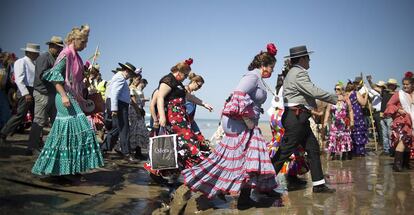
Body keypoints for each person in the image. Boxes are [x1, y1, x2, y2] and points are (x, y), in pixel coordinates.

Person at [182, 44, 278, 209]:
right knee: (245, 158)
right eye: (271, 67)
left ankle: (237, 195)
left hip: (244, 122)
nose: (272, 71)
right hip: (240, 123)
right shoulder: (253, 76)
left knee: (242, 160)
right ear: (263, 66)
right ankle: (234, 195)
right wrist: (248, 118)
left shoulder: (257, 78)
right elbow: (238, 94)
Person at [32, 25, 104, 177]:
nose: (85, 46)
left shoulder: (76, 56)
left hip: (73, 97)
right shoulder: (66, 54)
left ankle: (69, 168)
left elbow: (74, 79)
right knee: (76, 130)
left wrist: (82, 83)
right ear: (75, 40)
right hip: (65, 97)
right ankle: (62, 169)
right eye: (83, 42)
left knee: (72, 134)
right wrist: (64, 95)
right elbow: (54, 75)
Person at [271, 45, 339, 193]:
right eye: (308, 58)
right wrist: (335, 98)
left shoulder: (292, 73)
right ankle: (264, 183)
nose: (310, 61)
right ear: (302, 59)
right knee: (283, 153)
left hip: (298, 117)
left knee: (313, 148)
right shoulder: (299, 73)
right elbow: (313, 91)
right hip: (296, 118)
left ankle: (319, 184)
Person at [145, 58, 213, 182]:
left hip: (181, 118)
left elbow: (189, 96)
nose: (186, 78)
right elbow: (159, 98)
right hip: (173, 119)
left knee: (178, 146)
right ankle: (194, 174)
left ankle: (174, 174)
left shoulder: (179, 84)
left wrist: (204, 104)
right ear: (179, 73)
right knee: (186, 144)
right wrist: (162, 117)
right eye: (185, 75)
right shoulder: (167, 80)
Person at [26, 36, 64, 156]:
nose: (59, 49)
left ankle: (53, 147)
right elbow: (42, 75)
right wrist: (57, 77)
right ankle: (31, 147)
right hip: (43, 93)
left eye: (60, 47)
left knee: (56, 121)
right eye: (57, 47)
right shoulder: (44, 57)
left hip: (52, 94)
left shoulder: (54, 58)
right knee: (39, 121)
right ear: (51, 46)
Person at [0, 43, 40, 145]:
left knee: (37, 116)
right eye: (35, 53)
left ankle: (37, 139)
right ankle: (3, 133)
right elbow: (19, 79)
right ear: (29, 52)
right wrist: (26, 93)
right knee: (20, 115)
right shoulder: (21, 62)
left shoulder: (33, 64)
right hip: (25, 90)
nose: (37, 55)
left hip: (33, 90)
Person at [102, 62, 140, 162]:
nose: (130, 77)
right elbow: (114, 93)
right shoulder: (120, 78)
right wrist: (114, 109)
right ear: (127, 71)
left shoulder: (118, 77)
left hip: (119, 104)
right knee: (124, 128)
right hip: (119, 104)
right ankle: (126, 153)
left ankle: (103, 148)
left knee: (117, 128)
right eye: (131, 74)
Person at [384, 72, 414, 172]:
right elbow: (389, 105)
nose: (405, 86)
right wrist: (398, 109)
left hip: (412, 122)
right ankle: (397, 166)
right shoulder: (399, 94)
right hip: (402, 122)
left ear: (412, 84)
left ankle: (405, 164)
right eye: (404, 84)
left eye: (407, 84)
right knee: (403, 141)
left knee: (408, 144)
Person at [324, 82, 354, 160]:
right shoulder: (332, 98)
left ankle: (344, 155)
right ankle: (332, 154)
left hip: (343, 123)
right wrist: (325, 121)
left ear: (342, 90)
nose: (336, 90)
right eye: (335, 89)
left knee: (344, 138)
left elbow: (350, 110)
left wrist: (352, 121)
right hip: (334, 123)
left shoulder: (346, 98)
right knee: (333, 138)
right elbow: (327, 111)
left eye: (338, 89)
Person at [184, 72, 210, 142]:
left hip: (191, 121)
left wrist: (205, 104)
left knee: (200, 138)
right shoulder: (184, 90)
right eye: (199, 86)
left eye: (200, 87)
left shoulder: (191, 94)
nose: (199, 88)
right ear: (194, 82)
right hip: (184, 121)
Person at [129, 77, 149, 160]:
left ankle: (137, 151)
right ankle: (133, 151)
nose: (138, 81)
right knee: (135, 130)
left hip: (138, 110)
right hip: (134, 111)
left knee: (139, 131)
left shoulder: (136, 89)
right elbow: (133, 101)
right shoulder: (131, 88)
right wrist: (138, 111)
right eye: (136, 79)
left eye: (139, 80)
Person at [349, 77, 369, 156]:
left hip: (350, 115)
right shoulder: (355, 93)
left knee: (352, 132)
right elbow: (363, 103)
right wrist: (366, 94)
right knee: (358, 132)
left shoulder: (346, 94)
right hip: (357, 114)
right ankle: (359, 152)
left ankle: (353, 150)